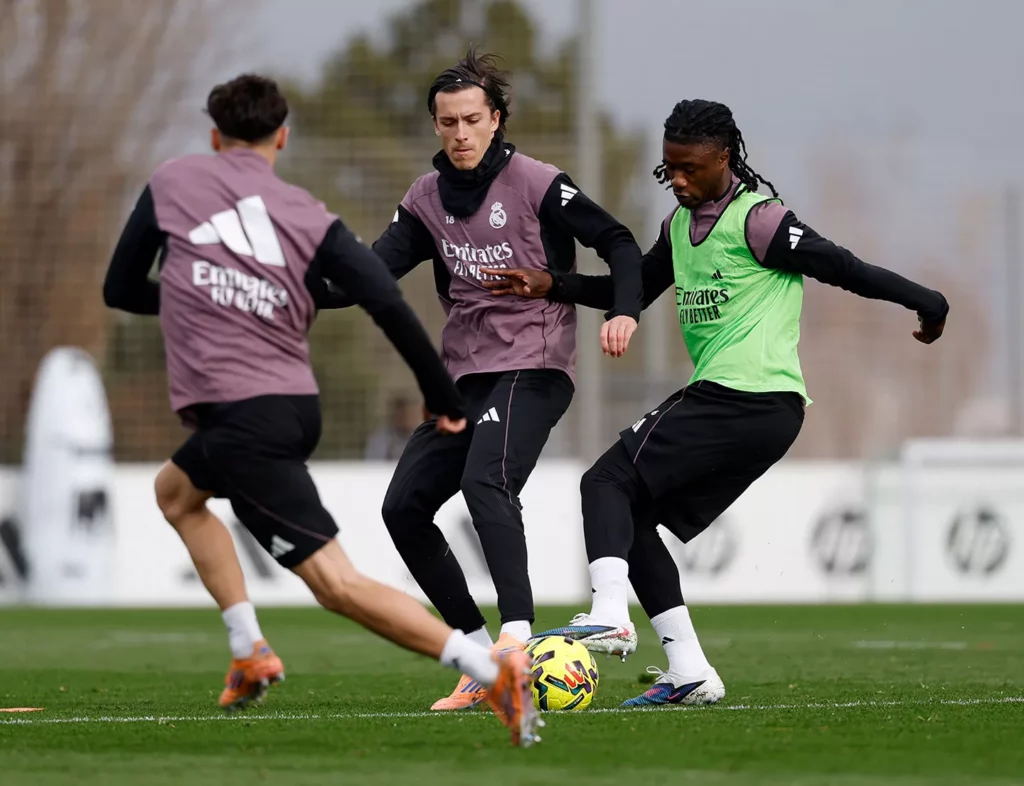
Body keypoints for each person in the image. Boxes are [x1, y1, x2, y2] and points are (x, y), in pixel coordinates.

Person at [101, 73, 540, 746]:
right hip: (284, 407)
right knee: (177, 494)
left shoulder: (172, 182)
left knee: (336, 585)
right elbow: (385, 301)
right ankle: (249, 649)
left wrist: (198, 298)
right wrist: (442, 394)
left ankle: (488, 669)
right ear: (281, 136)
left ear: (215, 136)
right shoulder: (307, 211)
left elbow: (122, 287)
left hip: (247, 420)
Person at [482, 98, 948, 707]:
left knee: (604, 481)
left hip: (747, 394)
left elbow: (843, 267)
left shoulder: (759, 221)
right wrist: (553, 284)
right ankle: (691, 671)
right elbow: (634, 290)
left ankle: (609, 613)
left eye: (690, 168)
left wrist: (927, 300)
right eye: (668, 169)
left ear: (724, 158)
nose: (677, 179)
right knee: (634, 519)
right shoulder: (679, 229)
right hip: (754, 412)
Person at [339, 49, 645, 711]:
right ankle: (479, 657)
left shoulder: (537, 183)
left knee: (486, 479)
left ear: (496, 118)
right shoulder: (425, 199)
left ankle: (514, 637)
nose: (460, 133)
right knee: (404, 507)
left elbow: (619, 242)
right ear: (436, 126)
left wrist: (622, 311)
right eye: (447, 122)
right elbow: (373, 270)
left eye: (472, 120)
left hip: (535, 365)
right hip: (465, 376)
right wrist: (301, 288)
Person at [364, 395, 421, 461]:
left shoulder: (419, 437)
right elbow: (374, 464)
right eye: (403, 414)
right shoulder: (382, 437)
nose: (408, 418)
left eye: (412, 415)